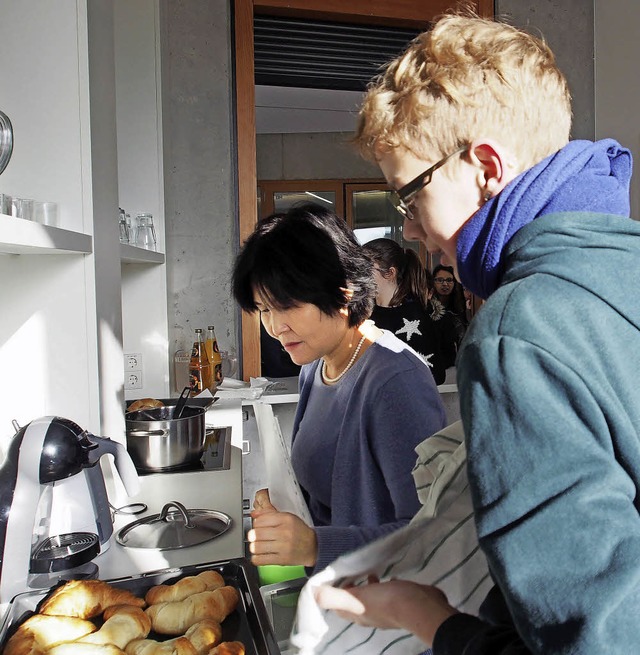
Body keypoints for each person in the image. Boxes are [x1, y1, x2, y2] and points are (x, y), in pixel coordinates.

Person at [315, 11, 640, 654]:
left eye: (409, 197)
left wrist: (429, 619)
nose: (408, 229)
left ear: (487, 168)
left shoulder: (518, 335)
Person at [232, 203, 447, 574]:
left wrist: (316, 545)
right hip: (335, 596)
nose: (274, 326)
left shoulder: (395, 383)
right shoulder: (316, 366)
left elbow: (432, 537)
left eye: (287, 305)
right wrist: (285, 504)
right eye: (264, 309)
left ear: (343, 292)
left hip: (386, 614)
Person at [363, 238, 446, 384]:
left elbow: (436, 374)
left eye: (366, 267)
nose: (359, 273)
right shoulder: (363, 313)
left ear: (389, 273)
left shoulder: (415, 316)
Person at [432, 264, 468, 363]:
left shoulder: (459, 307)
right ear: (433, 282)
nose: (445, 284)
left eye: (449, 280)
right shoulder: (429, 308)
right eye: (440, 280)